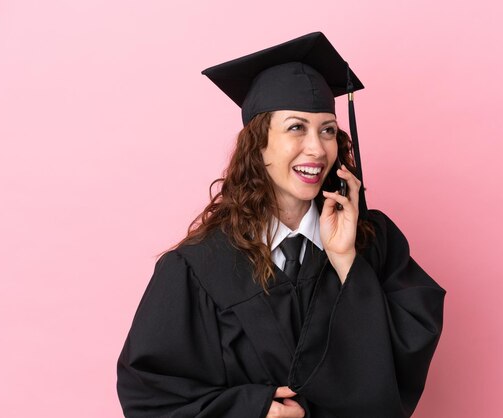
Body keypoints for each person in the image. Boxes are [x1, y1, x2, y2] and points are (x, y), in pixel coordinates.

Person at [117, 32, 446, 418]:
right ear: (257, 144)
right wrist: (252, 410)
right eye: (296, 128)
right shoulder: (199, 266)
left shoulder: (374, 241)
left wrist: (346, 263)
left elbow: (398, 367)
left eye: (327, 130)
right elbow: (150, 396)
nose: (317, 148)